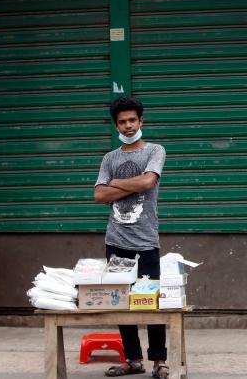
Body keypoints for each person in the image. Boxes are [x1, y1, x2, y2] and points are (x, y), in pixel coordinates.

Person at [94, 96, 169, 379]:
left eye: (132, 120)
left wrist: (114, 183)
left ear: (141, 121)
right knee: (121, 303)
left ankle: (159, 361)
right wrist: (130, 185)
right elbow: (98, 195)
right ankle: (133, 360)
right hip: (115, 241)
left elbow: (149, 181)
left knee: (151, 304)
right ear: (116, 125)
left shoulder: (155, 151)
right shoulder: (109, 158)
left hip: (146, 241)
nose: (128, 126)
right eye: (122, 122)